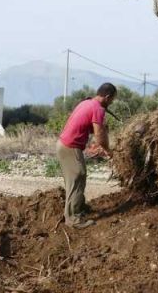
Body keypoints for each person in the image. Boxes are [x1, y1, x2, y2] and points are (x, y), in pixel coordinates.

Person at [57, 82, 116, 228]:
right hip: (70, 147)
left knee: (77, 179)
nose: (111, 103)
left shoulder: (87, 103)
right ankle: (74, 219)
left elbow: (86, 125)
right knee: (77, 178)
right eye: (112, 100)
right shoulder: (98, 108)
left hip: (64, 145)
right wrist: (108, 150)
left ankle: (78, 209)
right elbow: (99, 134)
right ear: (107, 97)